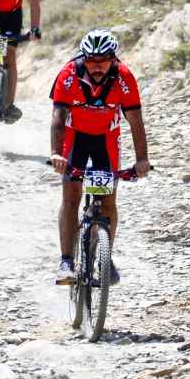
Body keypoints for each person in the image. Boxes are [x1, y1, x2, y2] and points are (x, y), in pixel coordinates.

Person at [48, 29, 151, 285]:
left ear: (113, 59)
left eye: (102, 61)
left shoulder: (124, 77)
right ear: (83, 58)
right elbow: (58, 119)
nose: (96, 67)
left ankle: (106, 257)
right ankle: (66, 262)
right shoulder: (68, 75)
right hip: (75, 137)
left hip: (106, 138)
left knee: (108, 202)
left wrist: (141, 160)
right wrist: (56, 154)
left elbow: (135, 121)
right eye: (91, 61)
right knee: (71, 197)